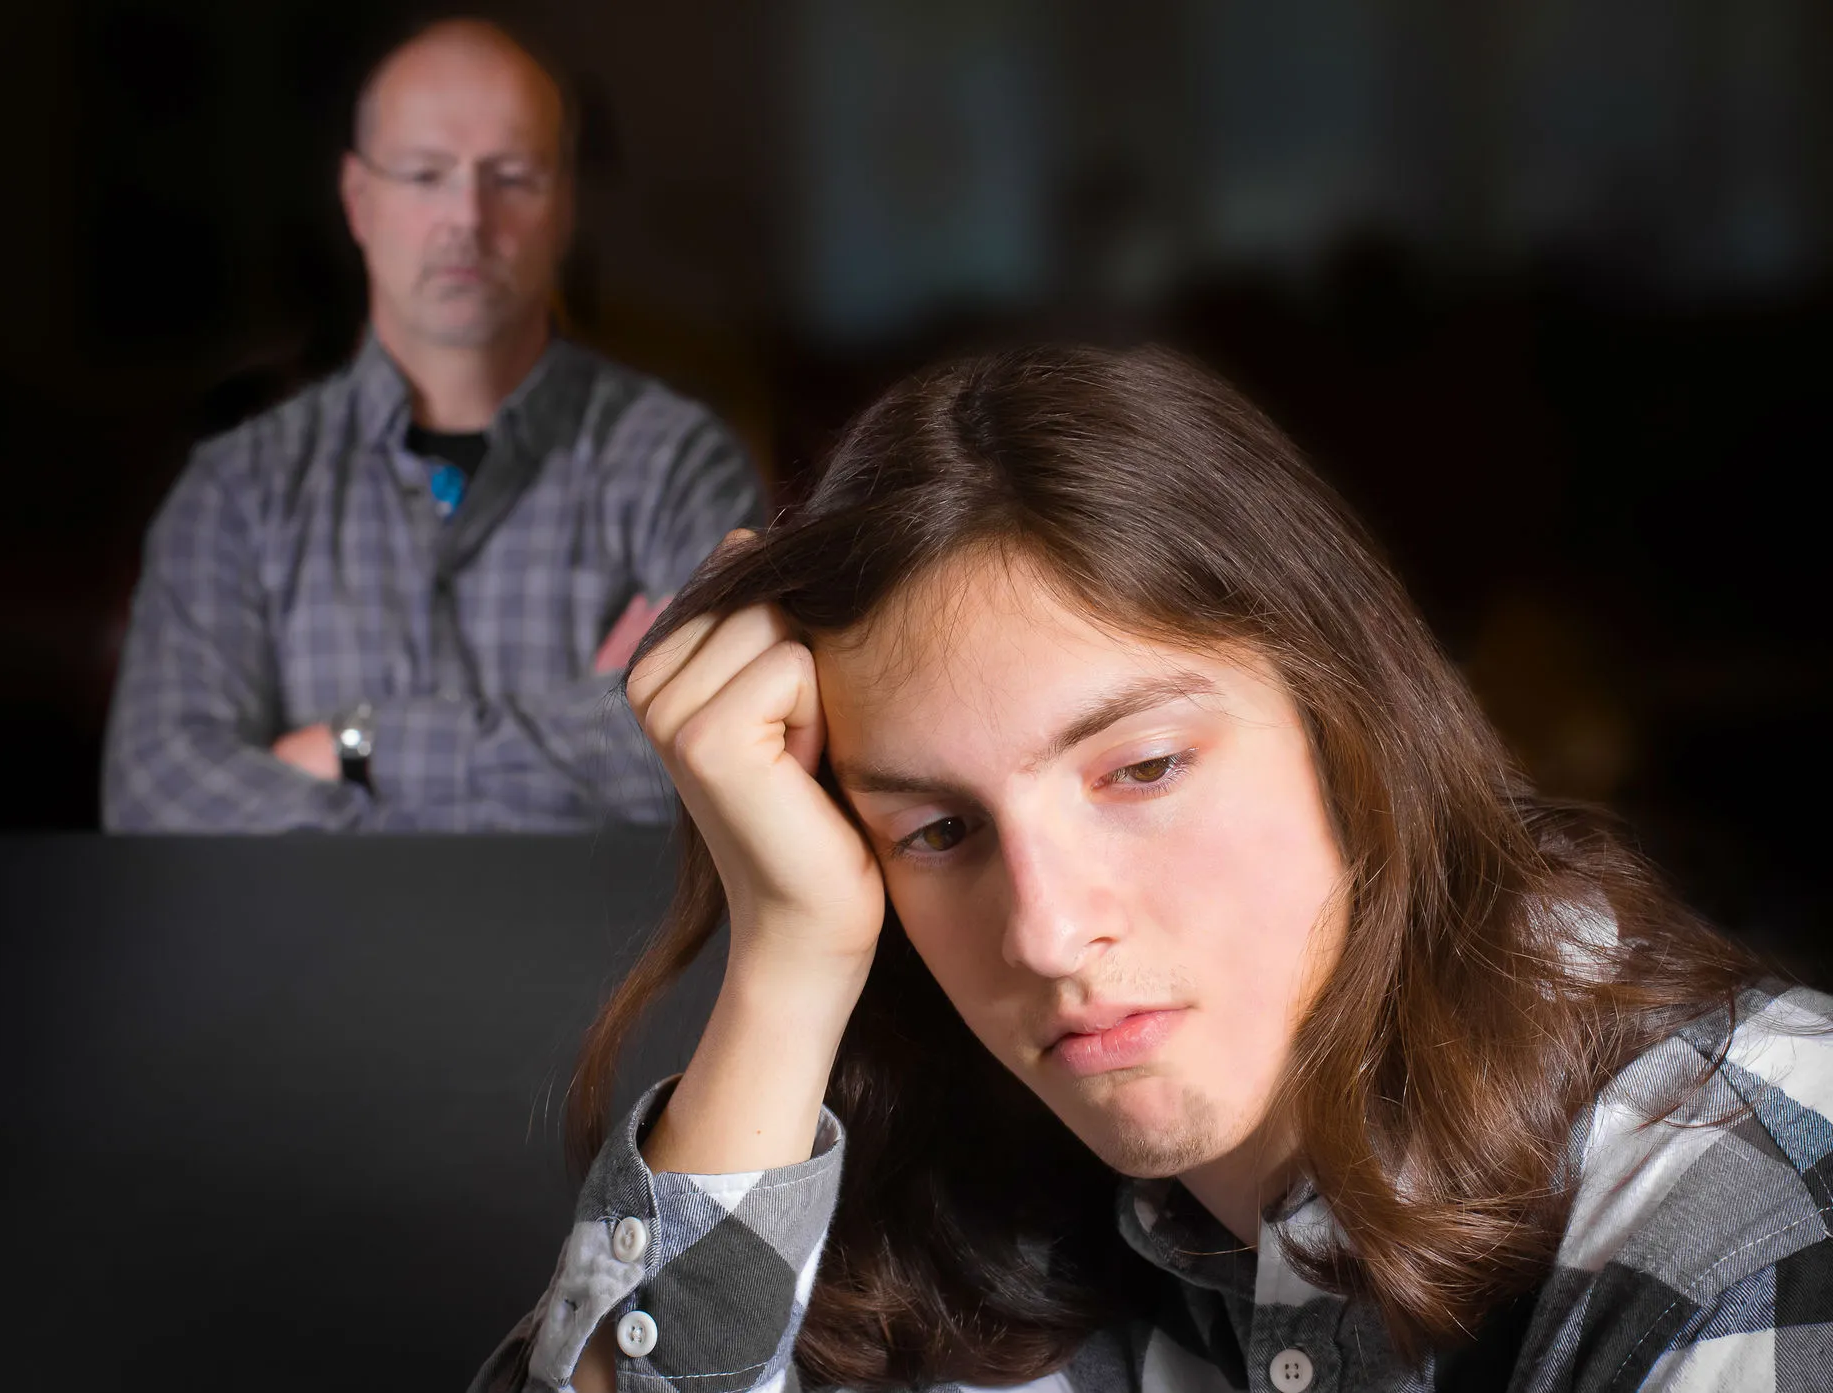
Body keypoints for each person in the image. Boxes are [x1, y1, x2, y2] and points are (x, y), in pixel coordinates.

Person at [477, 346, 1832, 1392]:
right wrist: (788, 958)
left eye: (1141, 769)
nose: (1047, 931)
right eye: (937, 831)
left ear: (1348, 720)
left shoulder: (1753, 1203)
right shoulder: (989, 1207)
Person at [103, 17, 762, 832]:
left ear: (564, 206)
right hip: (331, 926)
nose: (467, 219)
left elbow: (721, 749)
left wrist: (359, 746)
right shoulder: (236, 489)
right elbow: (158, 789)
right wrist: (580, 735)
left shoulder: (679, 463)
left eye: (511, 176)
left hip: (586, 933)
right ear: (359, 200)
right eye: (424, 174)